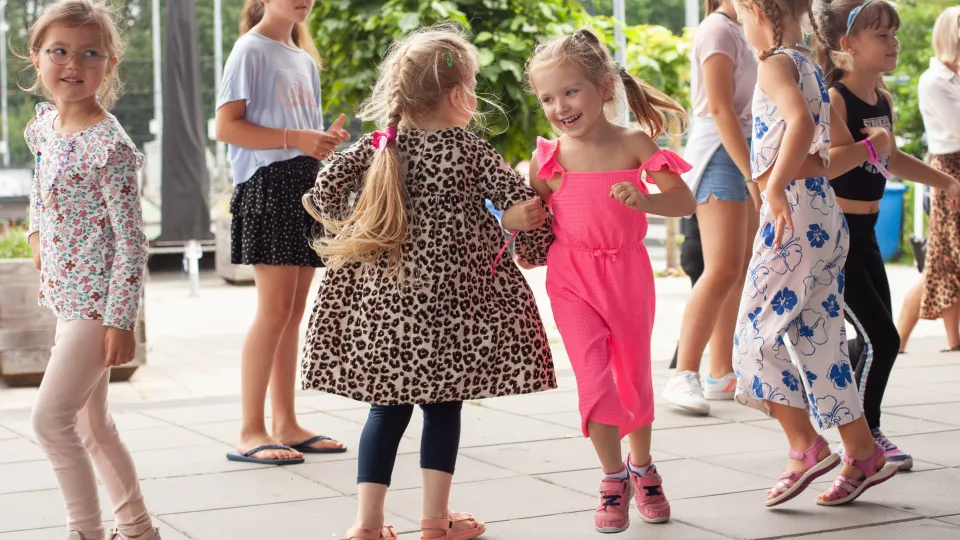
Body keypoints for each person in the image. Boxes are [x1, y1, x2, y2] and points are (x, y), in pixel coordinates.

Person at [300, 24, 556, 540]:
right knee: (443, 409)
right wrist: (526, 243)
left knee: (385, 410)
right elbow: (525, 208)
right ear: (460, 95)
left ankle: (367, 524)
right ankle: (436, 522)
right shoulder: (468, 149)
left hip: (386, 311)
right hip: (454, 312)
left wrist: (365, 221)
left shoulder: (378, 146)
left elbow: (322, 192)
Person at [526, 28, 697, 532]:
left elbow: (685, 201)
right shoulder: (546, 157)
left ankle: (642, 467)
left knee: (632, 376)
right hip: (570, 277)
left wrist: (646, 200)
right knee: (594, 378)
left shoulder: (633, 143)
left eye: (570, 91)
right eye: (548, 98)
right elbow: (534, 215)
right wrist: (519, 219)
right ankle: (612, 476)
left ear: (603, 87)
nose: (560, 106)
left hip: (627, 273)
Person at [732, 0, 898, 507]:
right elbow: (823, 152)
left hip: (793, 216)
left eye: (740, 14)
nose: (741, 24)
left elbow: (800, 124)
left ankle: (805, 446)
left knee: (753, 340)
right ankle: (863, 453)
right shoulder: (805, 63)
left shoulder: (775, 63)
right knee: (820, 343)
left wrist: (774, 186)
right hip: (821, 214)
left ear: (757, 9)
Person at [23, 1, 161, 538]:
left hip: (95, 306)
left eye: (89, 54)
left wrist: (121, 320)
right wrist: (37, 234)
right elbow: (40, 182)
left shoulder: (110, 147)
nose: (72, 64)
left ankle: (86, 530)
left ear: (109, 64)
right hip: (64, 298)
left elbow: (132, 241)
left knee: (49, 421)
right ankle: (139, 529)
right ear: (37, 57)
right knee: (91, 423)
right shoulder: (45, 127)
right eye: (59, 51)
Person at [812, 0, 960, 471]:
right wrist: (868, 146)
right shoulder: (836, 99)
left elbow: (890, 158)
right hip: (838, 237)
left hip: (868, 233)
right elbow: (824, 164)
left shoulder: (881, 99)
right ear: (848, 45)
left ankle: (856, 429)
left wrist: (948, 183)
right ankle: (866, 437)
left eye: (895, 33)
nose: (894, 42)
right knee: (882, 338)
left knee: (869, 340)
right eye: (882, 35)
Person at [215, 0, 347, 465]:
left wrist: (319, 142)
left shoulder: (304, 59)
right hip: (267, 186)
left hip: (303, 185)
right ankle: (251, 429)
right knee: (273, 311)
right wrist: (296, 137)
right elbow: (226, 127)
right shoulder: (249, 50)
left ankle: (286, 423)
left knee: (291, 313)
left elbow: (297, 135)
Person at [663, 0, 761, 414]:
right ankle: (683, 373)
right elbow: (719, 108)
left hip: (745, 148)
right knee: (721, 268)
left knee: (738, 269)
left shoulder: (746, 28)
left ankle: (721, 372)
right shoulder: (718, 29)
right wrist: (752, 175)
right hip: (720, 153)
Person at [897, 6, 960, 354]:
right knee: (943, 260)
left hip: (950, 168)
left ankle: (904, 340)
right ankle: (899, 339)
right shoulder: (934, 81)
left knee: (943, 261)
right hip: (949, 170)